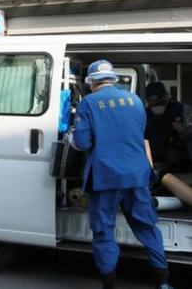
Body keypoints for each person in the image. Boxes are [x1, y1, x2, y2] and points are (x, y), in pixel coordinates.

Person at [71, 60, 172, 289]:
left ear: (91, 82)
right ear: (113, 79)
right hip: (137, 174)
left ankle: (110, 284)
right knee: (147, 226)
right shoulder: (136, 100)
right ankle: (164, 281)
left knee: (104, 230)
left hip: (106, 177)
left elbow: (82, 141)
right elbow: (138, 134)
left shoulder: (88, 103)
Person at [144, 81, 192, 171]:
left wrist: (183, 131)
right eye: (153, 104)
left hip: (181, 166)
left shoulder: (183, 111)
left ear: (166, 97)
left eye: (161, 103)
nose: (157, 106)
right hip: (153, 165)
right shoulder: (143, 115)